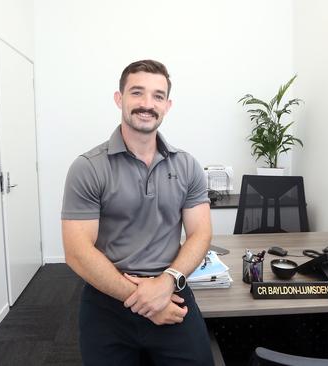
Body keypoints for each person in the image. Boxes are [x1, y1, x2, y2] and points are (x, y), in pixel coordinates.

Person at [61, 59, 215, 366]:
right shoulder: (88, 167)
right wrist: (146, 301)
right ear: (119, 99)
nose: (147, 104)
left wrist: (166, 283)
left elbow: (201, 233)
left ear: (167, 105)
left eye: (157, 96)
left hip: (171, 292)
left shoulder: (187, 165)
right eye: (137, 93)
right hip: (108, 299)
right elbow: (77, 252)